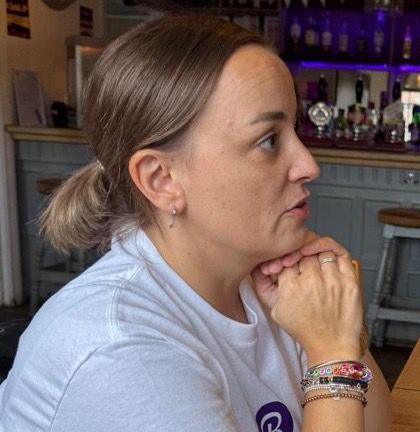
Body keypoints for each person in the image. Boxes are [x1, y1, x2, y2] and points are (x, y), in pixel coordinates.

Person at [0, 15, 390, 432]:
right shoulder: (121, 352)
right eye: (269, 140)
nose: (309, 165)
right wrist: (331, 353)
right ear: (161, 180)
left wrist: (342, 333)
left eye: (294, 130)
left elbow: (377, 425)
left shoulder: (268, 284)